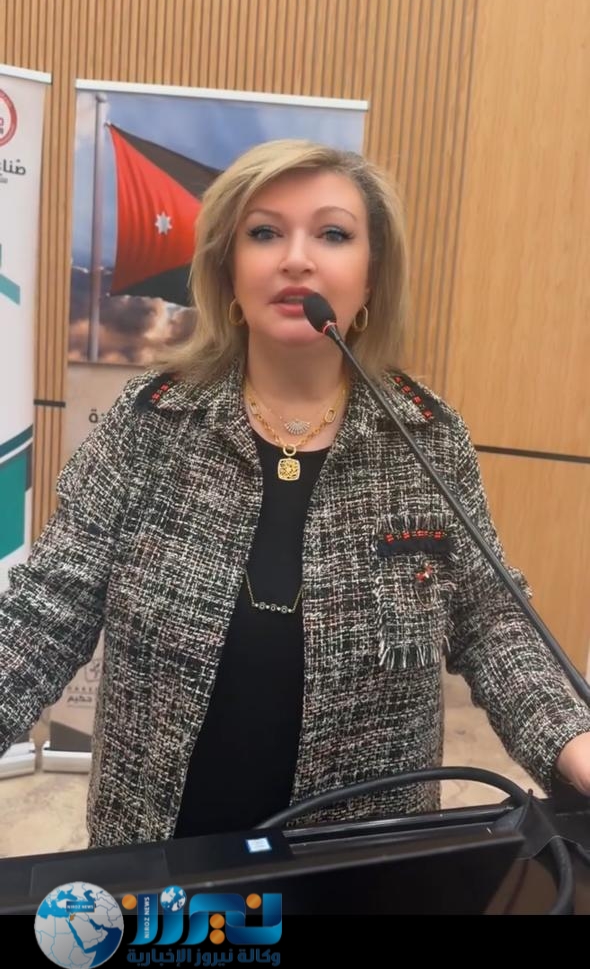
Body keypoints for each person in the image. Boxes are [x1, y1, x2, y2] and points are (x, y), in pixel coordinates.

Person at [1, 139, 589, 850]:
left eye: (333, 234)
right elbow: (50, 605)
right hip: (159, 857)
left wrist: (573, 738)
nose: (296, 259)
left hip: (362, 866)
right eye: (265, 233)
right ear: (229, 269)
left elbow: (490, 622)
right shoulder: (151, 421)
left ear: (372, 277)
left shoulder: (426, 437)